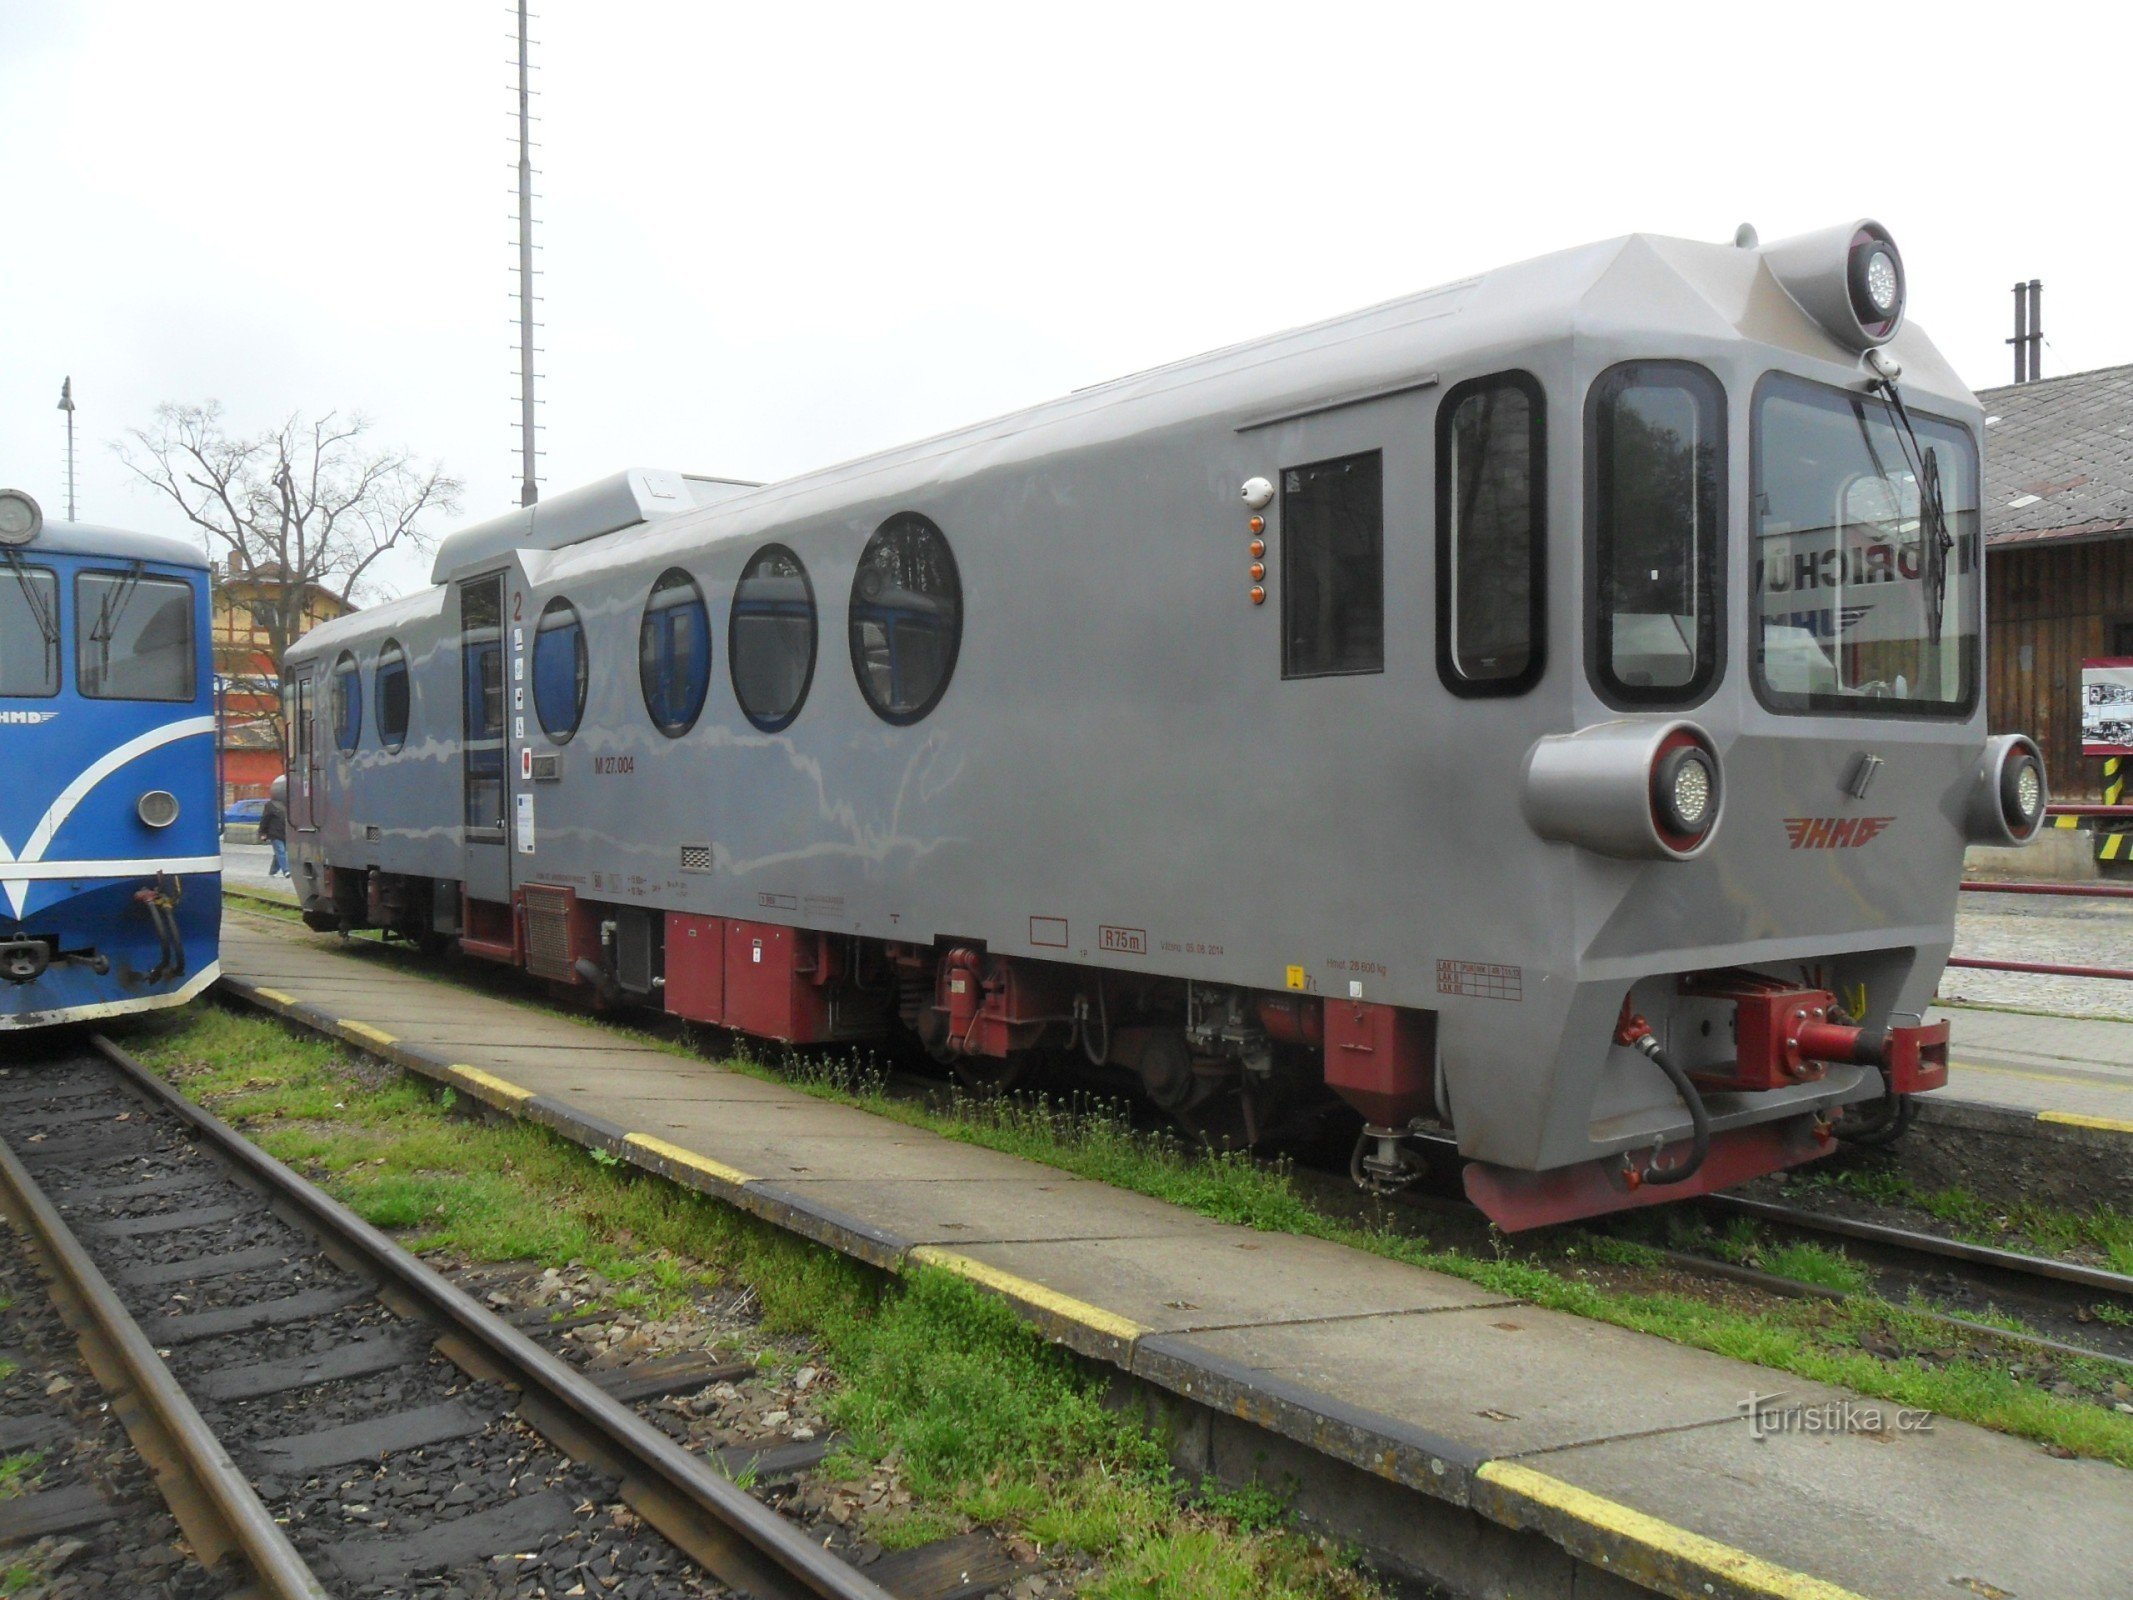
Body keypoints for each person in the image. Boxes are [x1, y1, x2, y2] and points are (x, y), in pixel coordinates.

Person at [258, 777, 289, 877]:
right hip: (275, 833)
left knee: (279, 853)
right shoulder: (270, 805)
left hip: (285, 833)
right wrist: (262, 833)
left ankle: (273, 871)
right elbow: (264, 820)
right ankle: (286, 871)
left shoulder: (290, 805)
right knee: (281, 851)